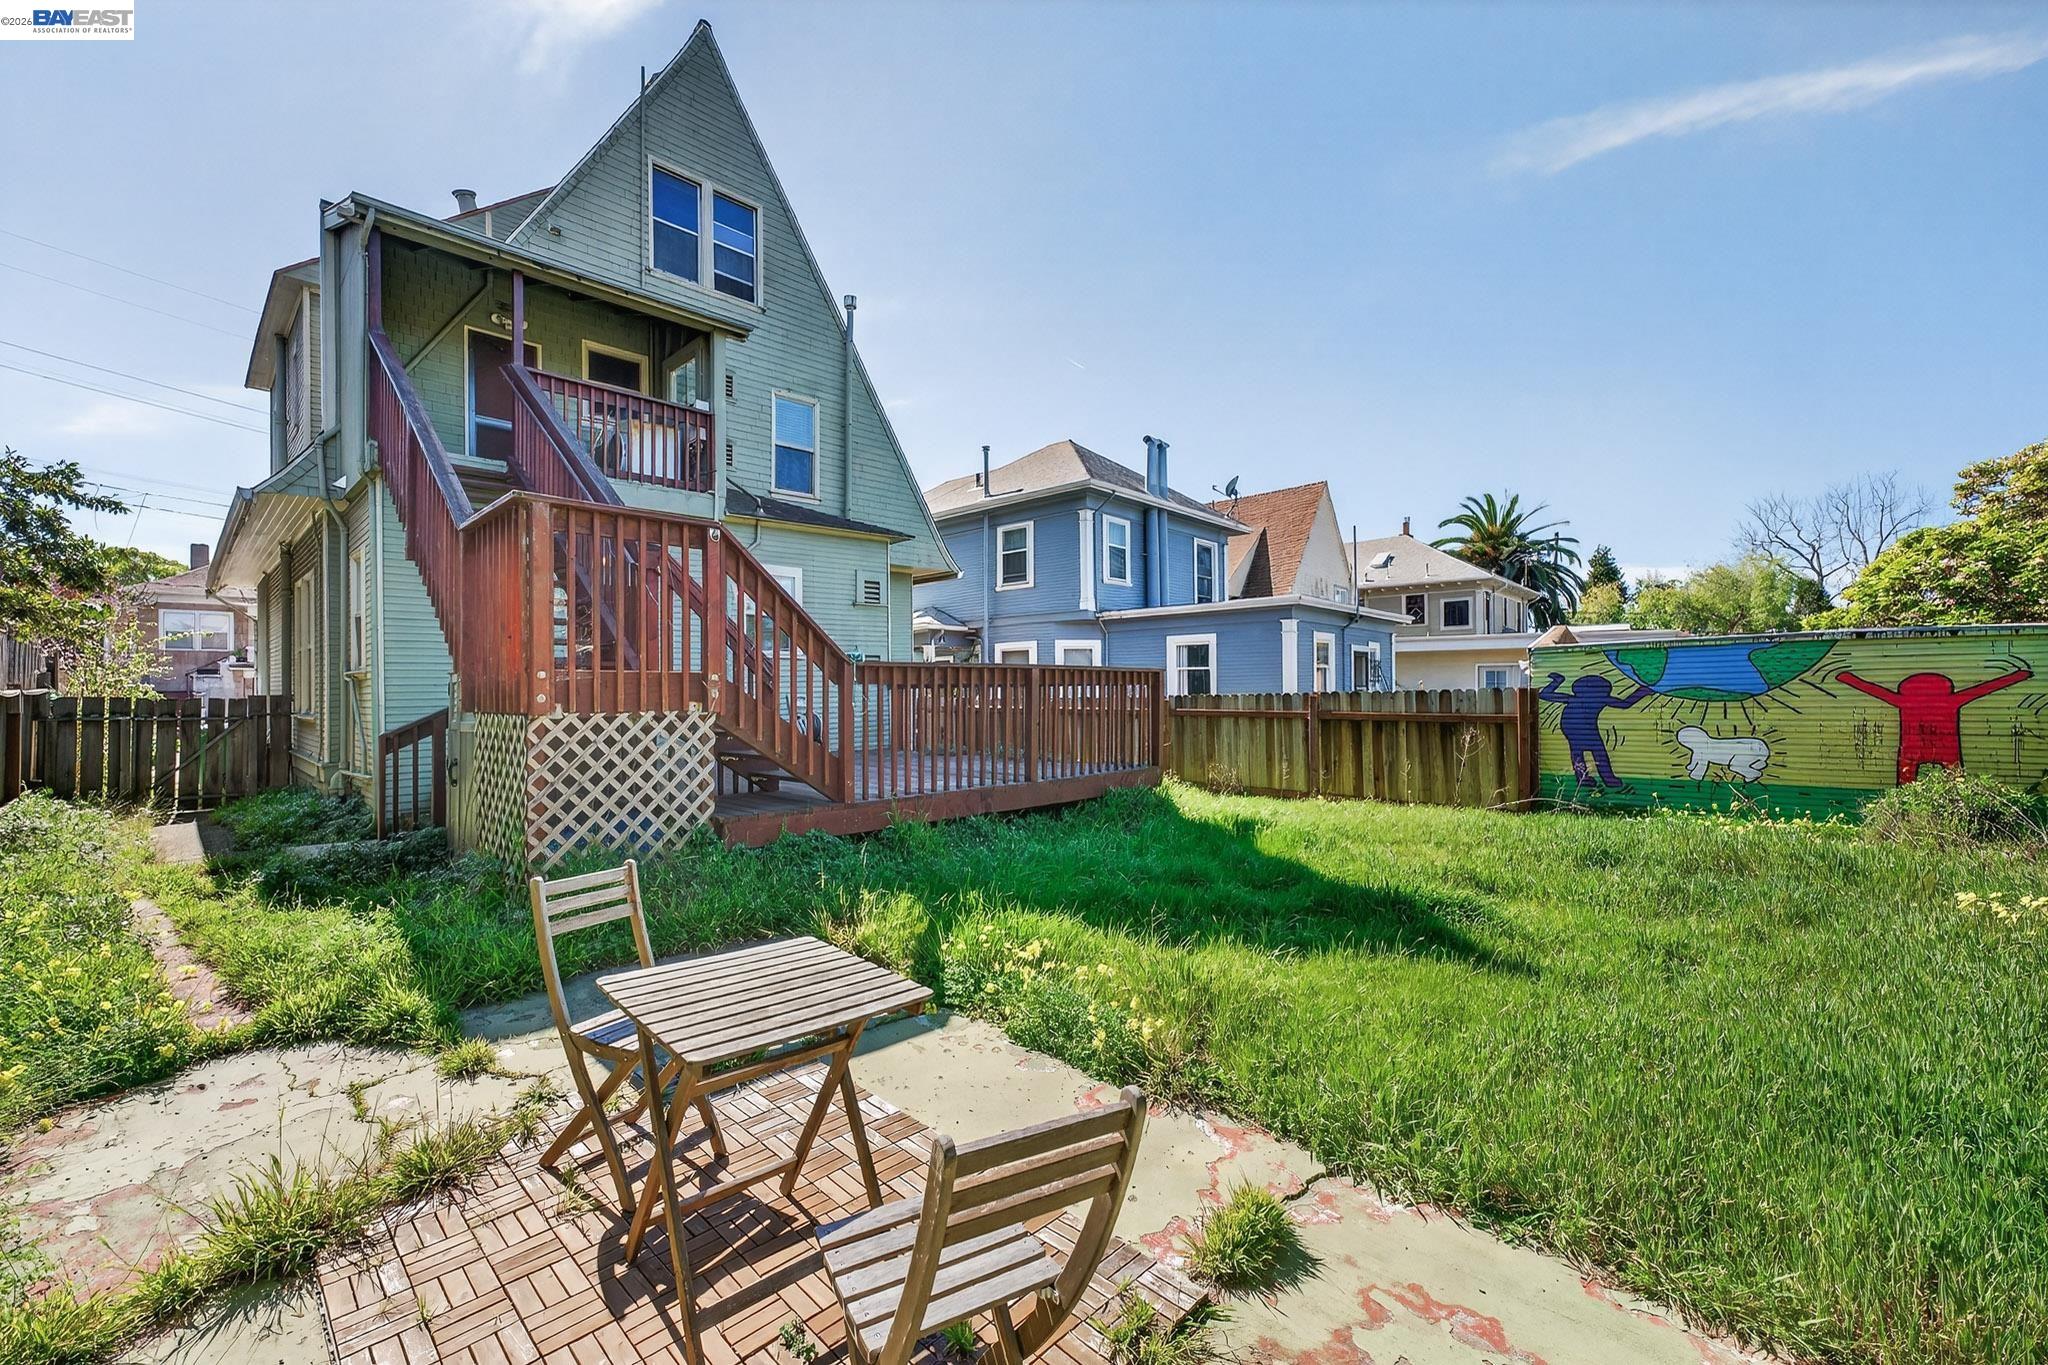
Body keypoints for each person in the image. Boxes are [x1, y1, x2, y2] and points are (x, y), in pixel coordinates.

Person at [1836, 667, 2032, 786]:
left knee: (1907, 777)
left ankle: (1905, 807)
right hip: (1946, 746)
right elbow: (1984, 688)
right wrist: (2019, 675)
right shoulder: (1952, 701)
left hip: (1912, 747)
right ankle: (1953, 804)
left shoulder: (1904, 701)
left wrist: (1847, 678)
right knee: (1954, 779)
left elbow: (1874, 690)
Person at [1539, 672, 1652, 789]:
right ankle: (1608, 780)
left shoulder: (1574, 698)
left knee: (1578, 753)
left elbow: (1544, 694)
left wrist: (1557, 682)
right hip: (1584, 730)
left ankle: (1584, 779)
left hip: (1571, 729)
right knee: (1599, 754)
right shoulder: (1601, 698)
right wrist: (1642, 691)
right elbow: (1625, 704)